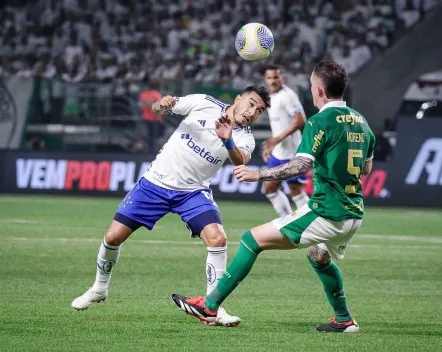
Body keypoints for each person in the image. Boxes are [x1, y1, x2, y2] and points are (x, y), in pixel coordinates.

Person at [171, 60, 376, 333]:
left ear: (319, 91)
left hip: (327, 210)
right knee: (318, 255)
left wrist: (259, 174)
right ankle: (344, 319)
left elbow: (301, 165)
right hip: (353, 212)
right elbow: (366, 168)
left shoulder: (320, 121)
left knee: (250, 240)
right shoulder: (362, 122)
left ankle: (209, 306)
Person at [72, 86, 271, 327]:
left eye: (259, 110)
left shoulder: (245, 137)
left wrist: (227, 140)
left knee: (217, 239)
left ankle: (213, 307)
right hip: (154, 184)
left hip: (192, 192)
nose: (252, 112)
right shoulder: (203, 103)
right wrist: (162, 104)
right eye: (250, 103)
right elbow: (161, 107)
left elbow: (240, 160)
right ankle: (99, 289)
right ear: (238, 99)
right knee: (113, 238)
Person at [262, 65, 309, 216]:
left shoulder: (287, 95)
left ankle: (314, 226)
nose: (273, 81)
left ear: (282, 78)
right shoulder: (271, 97)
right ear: (266, 80)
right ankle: (287, 221)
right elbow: (278, 125)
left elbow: (300, 120)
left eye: (276, 77)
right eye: (270, 78)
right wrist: (271, 147)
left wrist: (276, 139)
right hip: (279, 152)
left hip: (293, 152)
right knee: (269, 187)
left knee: (295, 190)